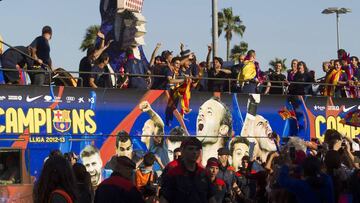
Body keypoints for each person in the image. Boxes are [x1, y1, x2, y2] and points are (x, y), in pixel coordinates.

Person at [160, 137, 217, 203]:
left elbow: (211, 198)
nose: (194, 152)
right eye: (191, 149)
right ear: (182, 150)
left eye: (197, 149)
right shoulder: (173, 174)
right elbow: (164, 199)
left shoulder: (203, 174)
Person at [240, 94, 277, 162]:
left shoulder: (278, 164)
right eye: (260, 124)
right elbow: (246, 134)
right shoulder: (253, 166)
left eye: (267, 123)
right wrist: (253, 104)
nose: (267, 126)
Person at [197, 97, 232, 166]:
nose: (201, 115)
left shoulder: (232, 170)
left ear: (223, 129)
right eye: (200, 112)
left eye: (209, 112)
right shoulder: (191, 168)